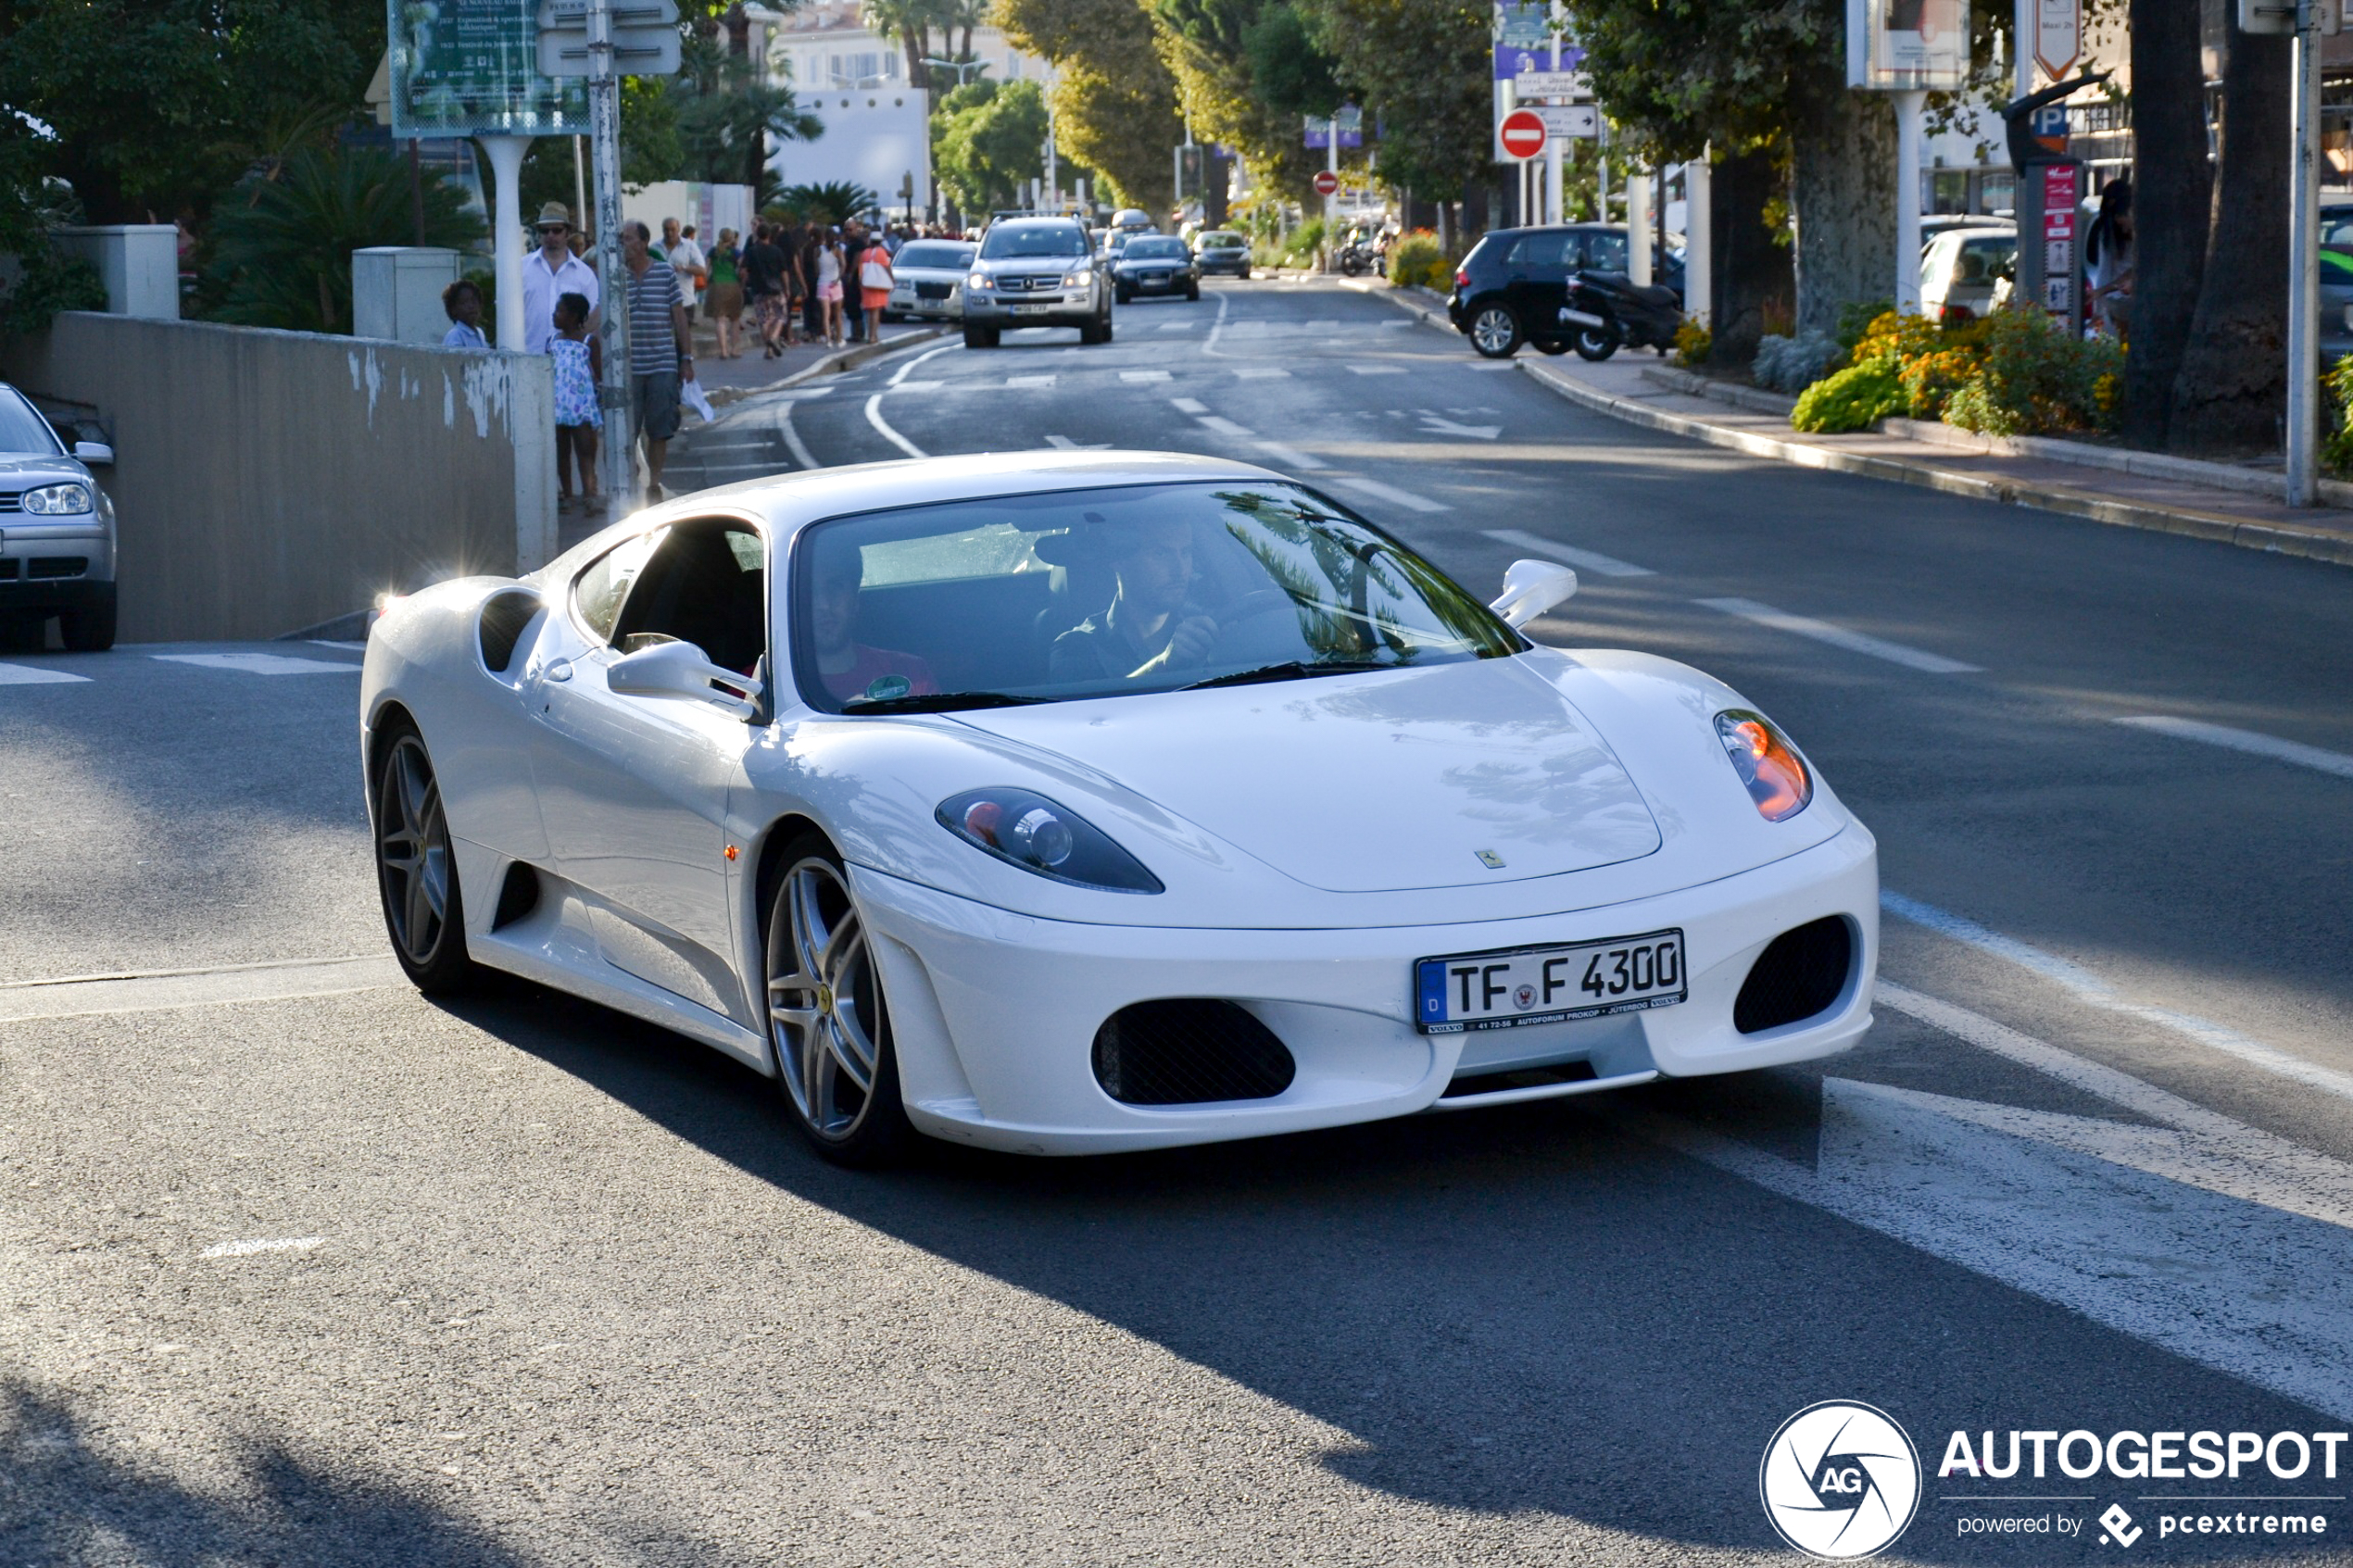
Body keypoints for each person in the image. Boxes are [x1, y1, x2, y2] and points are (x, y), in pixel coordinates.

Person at [1050, 518, 1219, 684]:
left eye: (1185, 552)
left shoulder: (1209, 631)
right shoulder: (1076, 647)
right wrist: (1164, 665)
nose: (1180, 569)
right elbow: (1087, 708)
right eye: (1160, 553)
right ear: (1119, 561)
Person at [809, 539, 937, 705]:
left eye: (835, 587)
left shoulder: (911, 671)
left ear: (855, 599)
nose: (824, 605)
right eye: (809, 591)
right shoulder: (774, 684)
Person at [622, 220, 695, 500]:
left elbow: (679, 319)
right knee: (626, 428)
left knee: (659, 428)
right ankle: (628, 480)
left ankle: (654, 482)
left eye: (628, 239)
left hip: (662, 363)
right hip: (629, 367)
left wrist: (686, 359)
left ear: (642, 243)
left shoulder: (664, 273)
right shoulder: (618, 277)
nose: (623, 245)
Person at [521, 202, 598, 357]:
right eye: (545, 230)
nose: (550, 235)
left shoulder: (584, 274)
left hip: (570, 360)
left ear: (567, 233)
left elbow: (592, 319)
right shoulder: (520, 268)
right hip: (529, 356)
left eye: (556, 230)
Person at [550, 292, 602, 513]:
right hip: (558, 406)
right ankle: (568, 495)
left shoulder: (589, 341)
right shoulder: (552, 341)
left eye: (559, 311)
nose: (555, 315)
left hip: (581, 406)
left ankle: (590, 495)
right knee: (561, 452)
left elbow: (597, 374)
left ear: (573, 316)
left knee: (585, 451)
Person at [2086, 176, 2134, 341]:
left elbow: (2108, 270)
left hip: (2119, 301)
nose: (2122, 225)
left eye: (2121, 219)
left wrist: (2101, 296)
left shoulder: (2110, 233)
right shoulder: (2110, 235)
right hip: (2121, 301)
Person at [745, 221, 791, 358]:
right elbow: (784, 272)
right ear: (769, 235)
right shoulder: (776, 250)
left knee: (763, 320)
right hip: (775, 289)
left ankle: (768, 349)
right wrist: (787, 288)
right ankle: (774, 337)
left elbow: (745, 270)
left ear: (757, 235)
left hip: (758, 289)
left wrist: (744, 284)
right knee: (781, 315)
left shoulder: (752, 251)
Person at [706, 228, 745, 358]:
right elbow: (742, 269)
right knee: (734, 319)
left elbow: (706, 270)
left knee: (720, 320)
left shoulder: (713, 251)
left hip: (716, 286)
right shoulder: (736, 252)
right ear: (732, 238)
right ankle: (734, 349)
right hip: (732, 285)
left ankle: (723, 350)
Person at [664, 217, 708, 313]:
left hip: (684, 299)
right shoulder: (656, 247)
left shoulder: (690, 246)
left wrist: (684, 267)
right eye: (666, 230)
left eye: (672, 229)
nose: (669, 233)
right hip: (662, 301)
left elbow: (702, 270)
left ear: (678, 229)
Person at [857, 235, 893, 345]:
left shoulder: (865, 252)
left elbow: (860, 268)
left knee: (869, 311)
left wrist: (860, 281)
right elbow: (887, 267)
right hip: (879, 285)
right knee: (876, 311)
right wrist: (892, 279)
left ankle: (870, 335)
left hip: (867, 284)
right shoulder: (882, 252)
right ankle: (874, 335)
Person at [813, 227, 846, 347]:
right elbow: (843, 265)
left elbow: (816, 269)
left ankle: (828, 340)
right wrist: (838, 278)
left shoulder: (817, 250)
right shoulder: (837, 250)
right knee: (837, 314)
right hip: (835, 283)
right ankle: (839, 339)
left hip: (822, 283)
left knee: (825, 315)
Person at [439, 278, 488, 347]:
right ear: (453, 310)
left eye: (474, 300)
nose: (471, 306)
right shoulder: (455, 335)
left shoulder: (480, 333)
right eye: (464, 302)